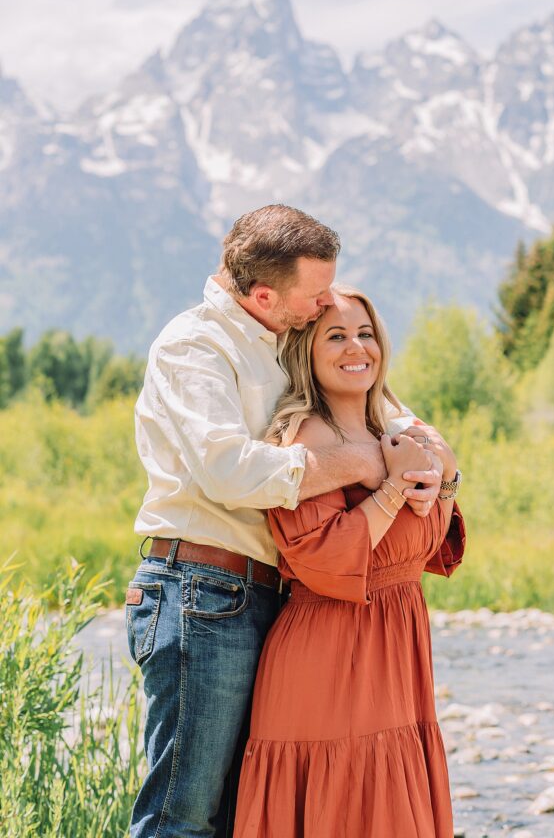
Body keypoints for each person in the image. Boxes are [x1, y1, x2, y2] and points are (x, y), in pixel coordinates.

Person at [127, 205, 445, 838]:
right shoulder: (195, 346)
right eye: (315, 293)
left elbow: (389, 412)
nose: (325, 303)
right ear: (265, 294)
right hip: (201, 590)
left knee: (242, 815)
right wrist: (366, 462)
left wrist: (433, 457)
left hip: (272, 597)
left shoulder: (282, 338)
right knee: (181, 816)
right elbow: (228, 471)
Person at [234, 284, 465, 838]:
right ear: (307, 353)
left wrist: (448, 476)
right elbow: (323, 558)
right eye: (335, 336)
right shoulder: (305, 436)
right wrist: (393, 488)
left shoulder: (393, 432)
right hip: (335, 650)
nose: (356, 347)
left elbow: (420, 549)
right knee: (347, 807)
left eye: (365, 333)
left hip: (396, 642)